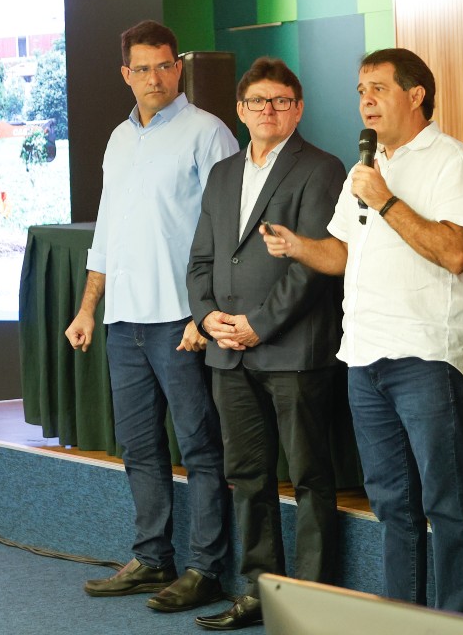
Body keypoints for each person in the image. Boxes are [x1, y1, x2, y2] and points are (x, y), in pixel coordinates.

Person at [262, 48, 463, 615]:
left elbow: (455, 252)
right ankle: (403, 620)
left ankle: (455, 623)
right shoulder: (365, 168)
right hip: (363, 356)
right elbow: (343, 252)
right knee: (391, 504)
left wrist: (385, 199)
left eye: (379, 89)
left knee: (446, 504)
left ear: (416, 95)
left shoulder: (451, 161)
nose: (365, 101)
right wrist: (297, 246)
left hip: (426, 355)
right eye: (361, 90)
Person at [65, 20, 238, 613]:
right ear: (126, 75)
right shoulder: (118, 139)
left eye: (165, 66)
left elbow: (229, 230)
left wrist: (205, 313)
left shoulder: (207, 133)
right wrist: (88, 309)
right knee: (139, 447)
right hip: (124, 322)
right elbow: (107, 232)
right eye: (142, 69)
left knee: (200, 448)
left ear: (178, 68)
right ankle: (152, 557)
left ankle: (207, 569)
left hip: (181, 321)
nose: (155, 78)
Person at [185, 57, 346, 631]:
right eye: (257, 101)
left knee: (309, 479)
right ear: (240, 110)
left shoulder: (322, 168)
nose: (268, 110)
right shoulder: (223, 173)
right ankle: (258, 592)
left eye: (281, 101)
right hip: (227, 352)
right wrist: (207, 317)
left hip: (293, 349)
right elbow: (202, 259)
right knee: (248, 476)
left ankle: (310, 603)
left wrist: (259, 324)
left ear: (298, 110)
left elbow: (313, 264)